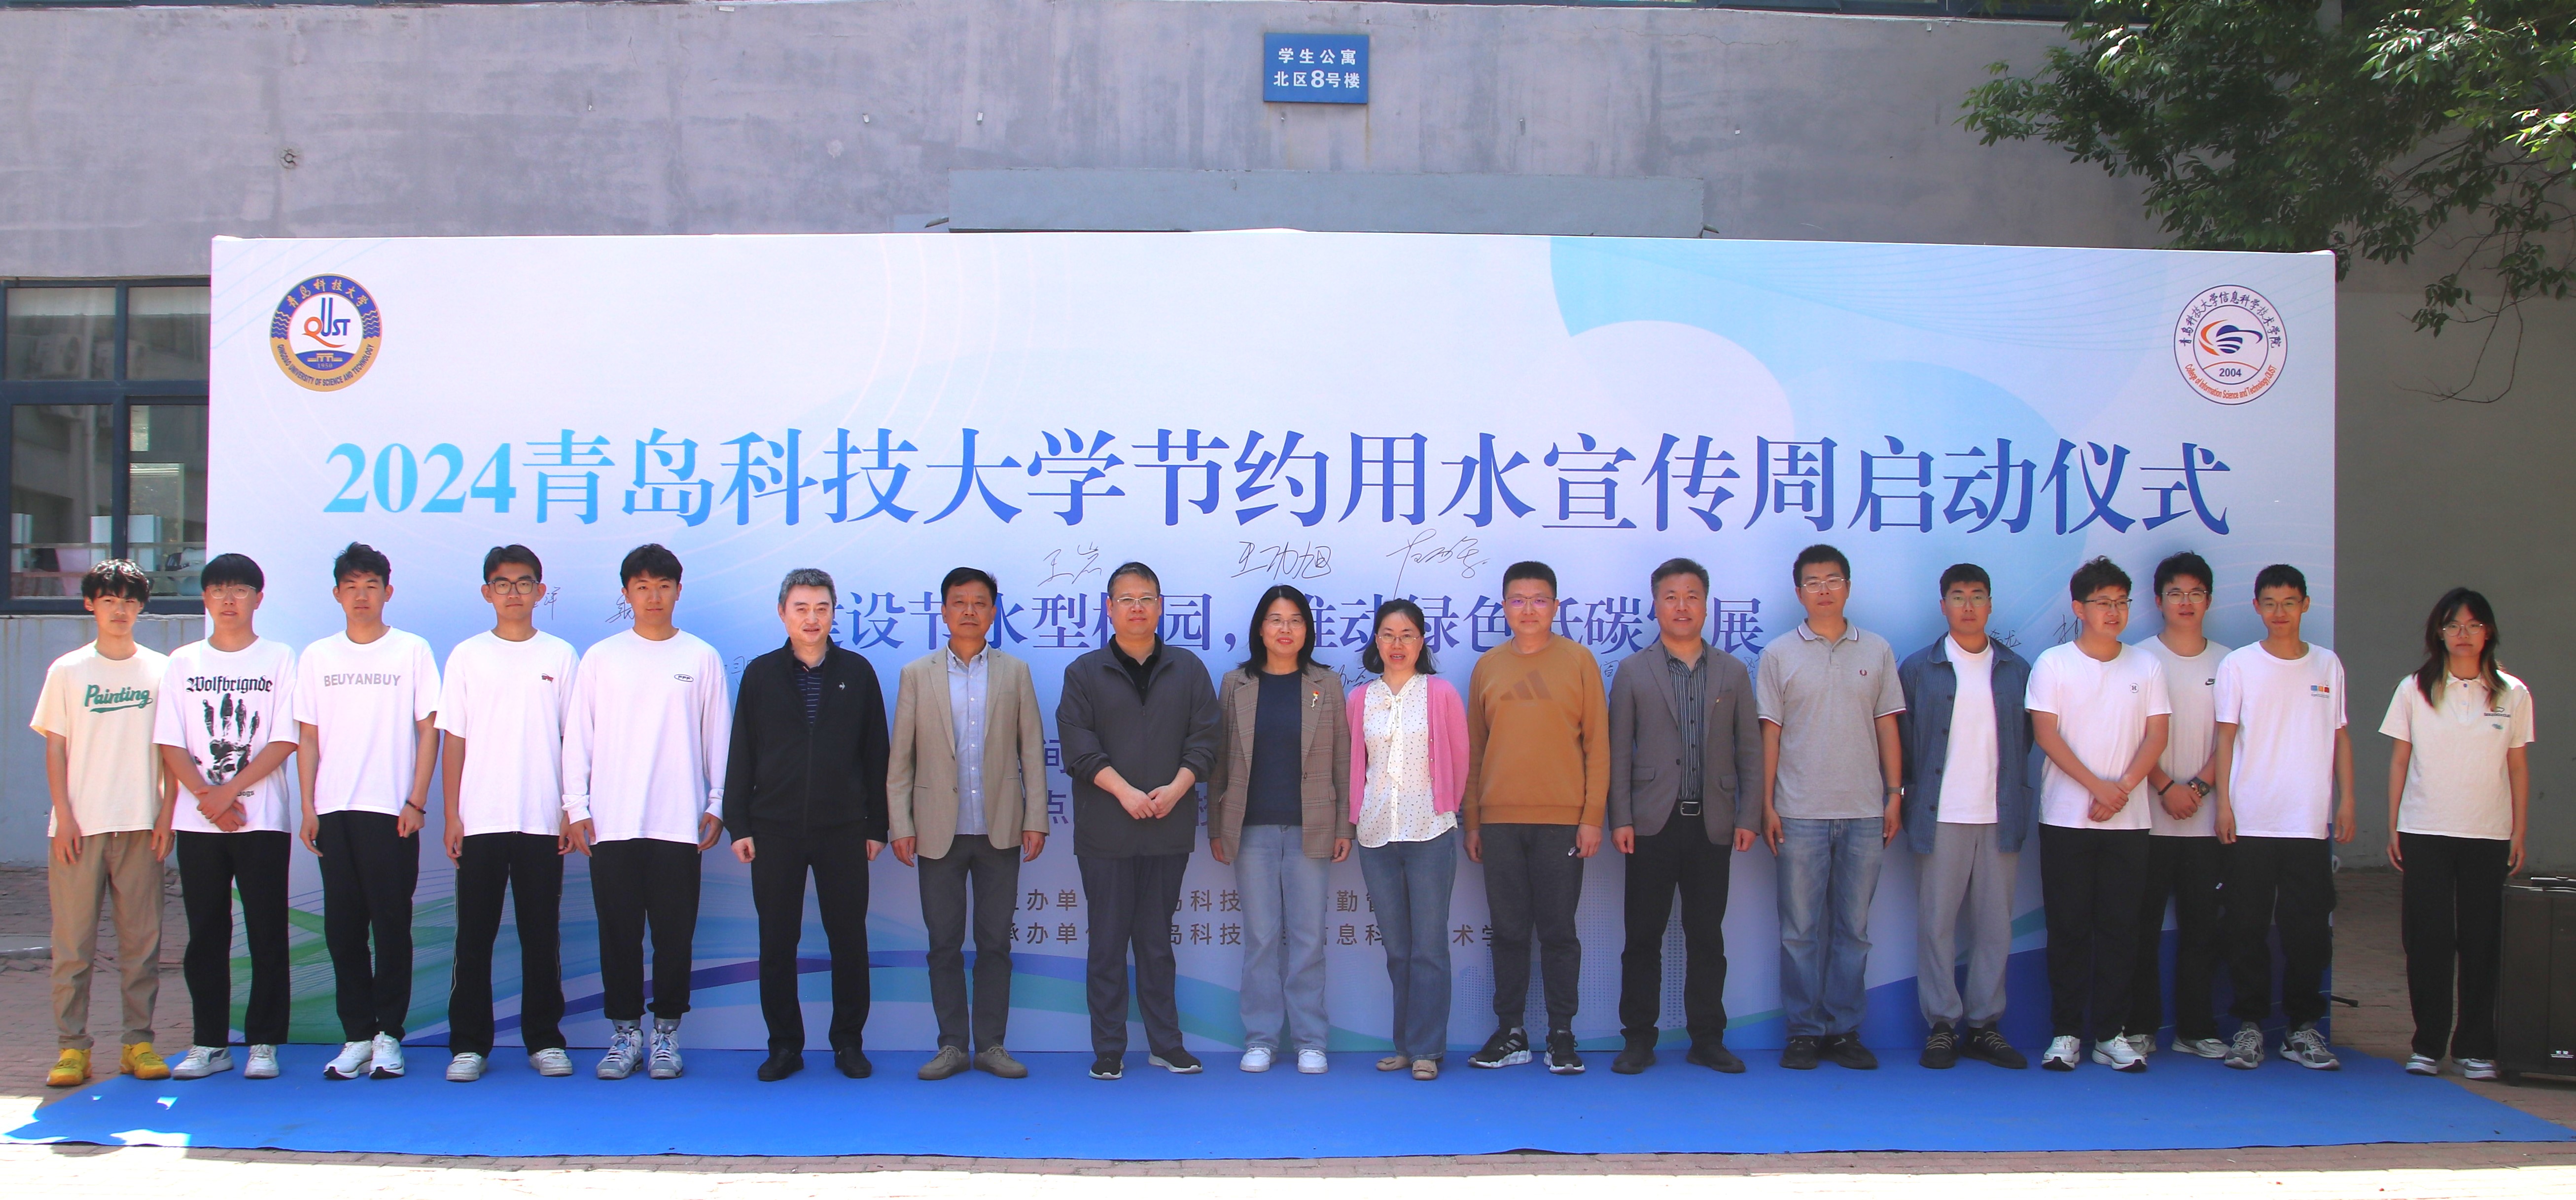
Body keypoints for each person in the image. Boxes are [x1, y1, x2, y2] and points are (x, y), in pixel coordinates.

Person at [562, 544, 731, 1082]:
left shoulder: (700, 657)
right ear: (626, 594)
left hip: (678, 823)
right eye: (641, 587)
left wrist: (717, 802)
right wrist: (576, 805)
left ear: (678, 590)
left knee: (674, 936)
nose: (653, 597)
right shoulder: (601, 657)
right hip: (611, 823)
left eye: (662, 586)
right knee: (618, 934)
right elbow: (578, 738)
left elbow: (718, 736)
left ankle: (665, 1035)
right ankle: (624, 1035)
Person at [725, 567, 890, 1083]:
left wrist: (877, 826)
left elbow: (876, 754)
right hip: (773, 828)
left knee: (849, 939)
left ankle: (848, 1043)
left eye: (821, 608)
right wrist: (738, 824)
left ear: (834, 613)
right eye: (801, 608)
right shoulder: (761, 674)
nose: (812, 618)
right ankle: (784, 1046)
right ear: (783, 613)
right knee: (777, 942)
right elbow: (742, 752)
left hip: (844, 828)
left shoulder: (857, 672)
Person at [1057, 561, 1219, 1081]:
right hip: (1105, 830)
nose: (1136, 608)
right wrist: (1124, 792)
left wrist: (1177, 787)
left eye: (1146, 598)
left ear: (1160, 607)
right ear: (1109, 609)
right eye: (1126, 599)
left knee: (1155, 942)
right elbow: (1078, 746)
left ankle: (1165, 1044)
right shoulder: (1084, 673)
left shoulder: (1187, 669)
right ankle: (1108, 1048)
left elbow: (1206, 739)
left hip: (1167, 826)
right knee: (1106, 943)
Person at [888, 567, 1050, 1082]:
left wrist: (1036, 818)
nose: (969, 611)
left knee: (995, 943)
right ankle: (952, 1045)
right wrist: (900, 824)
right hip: (937, 829)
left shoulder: (1014, 672)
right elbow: (901, 759)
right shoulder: (917, 674)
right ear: (943, 611)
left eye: (979, 603)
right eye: (959, 602)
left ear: (993, 612)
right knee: (943, 943)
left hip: (1000, 827)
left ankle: (993, 1045)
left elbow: (1031, 751)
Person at [294, 542, 442, 1081]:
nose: (362, 596)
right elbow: (308, 737)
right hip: (334, 810)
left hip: (391, 811)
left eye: (371, 586)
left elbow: (430, 729)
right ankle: (357, 1035)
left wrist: (416, 801)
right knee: (343, 929)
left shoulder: (411, 651)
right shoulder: (318, 656)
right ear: (337, 594)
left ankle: (389, 1035)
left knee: (392, 925)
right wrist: (308, 806)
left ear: (388, 591)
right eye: (352, 586)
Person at [1606, 557, 1758, 1076]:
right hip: (1651, 823)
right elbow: (1618, 751)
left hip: (1712, 822)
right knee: (1642, 938)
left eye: (1692, 596)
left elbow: (1749, 750)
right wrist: (1620, 818)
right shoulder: (1633, 670)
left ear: (1706, 604)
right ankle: (1638, 1039)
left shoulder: (1732, 671)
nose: (1681, 606)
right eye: (1670, 597)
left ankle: (1707, 1039)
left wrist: (1747, 815)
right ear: (1655, 605)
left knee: (1706, 937)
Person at [1756, 544, 1905, 1071]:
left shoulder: (1877, 650)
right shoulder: (1778, 654)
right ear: (1799, 592)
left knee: (1853, 932)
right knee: (1798, 932)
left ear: (1847, 587)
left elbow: (1887, 725)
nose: (1824, 590)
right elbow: (1769, 735)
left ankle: (1843, 1030)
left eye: (1833, 580)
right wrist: (1767, 804)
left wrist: (1894, 794)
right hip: (1797, 812)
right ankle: (1803, 1031)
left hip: (1864, 812)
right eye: (1813, 582)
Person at [437, 545, 579, 1083]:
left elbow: (574, 740)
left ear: (540, 591)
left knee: (541, 936)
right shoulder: (467, 656)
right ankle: (469, 1045)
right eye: (502, 583)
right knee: (474, 937)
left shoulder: (560, 656)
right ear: (487, 592)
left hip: (542, 819)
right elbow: (454, 739)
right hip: (481, 819)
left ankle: (545, 1040)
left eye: (523, 583)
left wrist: (570, 808)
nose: (513, 593)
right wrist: (453, 815)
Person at [155, 553, 300, 1082]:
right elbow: (169, 740)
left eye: (239, 590)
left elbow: (285, 738)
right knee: (206, 935)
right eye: (218, 590)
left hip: (261, 819)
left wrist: (230, 792)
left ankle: (264, 1042)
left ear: (258, 598)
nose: (228, 600)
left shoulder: (279, 658)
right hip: (198, 821)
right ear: (205, 598)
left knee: (266, 931)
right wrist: (205, 796)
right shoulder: (183, 662)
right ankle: (209, 1042)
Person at [1464, 560, 1609, 1075]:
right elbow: (1474, 750)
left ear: (1555, 606)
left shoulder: (1579, 661)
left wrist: (1591, 817)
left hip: (1562, 821)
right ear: (1504, 607)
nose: (1529, 609)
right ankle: (1510, 1031)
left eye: (1539, 599)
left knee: (1557, 931)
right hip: (1499, 821)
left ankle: (1561, 1033)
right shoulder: (1487, 666)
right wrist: (1473, 820)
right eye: (1518, 600)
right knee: (1507, 931)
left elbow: (1598, 745)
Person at [2026, 556, 2169, 1073]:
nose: (2113, 612)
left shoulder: (2146, 666)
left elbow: (2156, 735)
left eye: (2121, 602)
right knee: (2068, 928)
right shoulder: (2053, 664)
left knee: (2120, 929)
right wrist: (2097, 788)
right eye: (2102, 603)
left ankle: (2111, 1033)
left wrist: (2122, 790)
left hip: (2129, 822)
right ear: (2078, 608)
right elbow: (2046, 735)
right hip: (2066, 818)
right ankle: (2065, 1033)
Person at [35, 560, 175, 1089]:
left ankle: (138, 1042)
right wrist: (65, 816)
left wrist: (167, 813)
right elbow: (56, 748)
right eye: (109, 599)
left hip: (141, 824)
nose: (120, 609)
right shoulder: (68, 670)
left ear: (141, 608)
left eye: (130, 600)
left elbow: (172, 749)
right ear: (90, 604)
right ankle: (72, 1048)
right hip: (79, 828)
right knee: (73, 947)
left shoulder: (161, 671)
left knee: (142, 945)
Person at [2210, 563, 2355, 1071]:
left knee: (2307, 931)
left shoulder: (2326, 665)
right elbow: (2224, 736)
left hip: (2307, 821)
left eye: (2288, 602)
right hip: (2250, 818)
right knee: (2245, 928)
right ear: (2256, 607)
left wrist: (2346, 800)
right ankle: (2248, 1026)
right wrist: (2223, 804)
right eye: (2269, 603)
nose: (2279, 612)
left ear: (2304, 605)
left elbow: (2339, 736)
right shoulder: (2239, 665)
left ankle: (2301, 1028)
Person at [2383, 587, 2532, 1082]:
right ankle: (2427, 1044)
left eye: (2472, 625)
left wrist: (2517, 830)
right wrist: (2394, 825)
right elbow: (2400, 760)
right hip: (2424, 828)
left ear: (2487, 631)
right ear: (2438, 633)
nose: (2462, 634)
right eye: (2452, 625)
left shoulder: (2512, 692)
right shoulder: (2414, 688)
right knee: (2426, 939)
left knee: (2481, 940)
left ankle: (2474, 1047)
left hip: (2487, 831)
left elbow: (2517, 765)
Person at [1209, 585, 1352, 1075]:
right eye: (1275, 619)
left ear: (1307, 630)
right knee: (1261, 939)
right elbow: (1219, 762)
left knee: (1309, 939)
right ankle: (1261, 1039)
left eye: (1294, 620)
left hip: (1312, 826)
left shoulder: (1325, 684)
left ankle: (1311, 1040)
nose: (1285, 629)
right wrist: (1216, 828)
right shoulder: (1236, 684)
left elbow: (1342, 759)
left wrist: (1343, 826)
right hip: (1250, 829)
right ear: (1260, 628)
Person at [1895, 563, 2033, 1072]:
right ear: (1943, 606)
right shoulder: (1918, 668)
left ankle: (1983, 1026)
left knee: (1994, 927)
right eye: (1958, 596)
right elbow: (1904, 743)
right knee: (1936, 925)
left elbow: (2026, 739)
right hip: (1940, 814)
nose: (1968, 606)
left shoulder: (2015, 669)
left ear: (1990, 604)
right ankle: (1940, 1026)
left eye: (1977, 596)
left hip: (1998, 812)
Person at [1347, 599, 1469, 1082]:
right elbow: (1354, 764)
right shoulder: (1361, 699)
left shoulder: (1440, 693)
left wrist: (1447, 806)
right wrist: (1353, 818)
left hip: (1429, 831)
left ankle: (1426, 1049)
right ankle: (1405, 1045)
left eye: (1407, 635)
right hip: (1376, 833)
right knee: (1397, 949)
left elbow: (1459, 756)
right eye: (1388, 635)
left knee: (1429, 948)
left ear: (1421, 642)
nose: (1397, 644)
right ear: (1376, 641)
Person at [2125, 551, 2231, 1060]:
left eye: (2194, 593)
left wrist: (2199, 789)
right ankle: (2139, 1025)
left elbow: (2232, 738)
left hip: (2207, 824)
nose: (2185, 602)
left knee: (2202, 932)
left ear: (2208, 600)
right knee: (2140, 931)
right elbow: (2129, 736)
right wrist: (2166, 786)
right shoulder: (2138, 660)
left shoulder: (2230, 663)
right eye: (2175, 593)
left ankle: (2195, 1028)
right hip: (2147, 820)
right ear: (2157, 600)